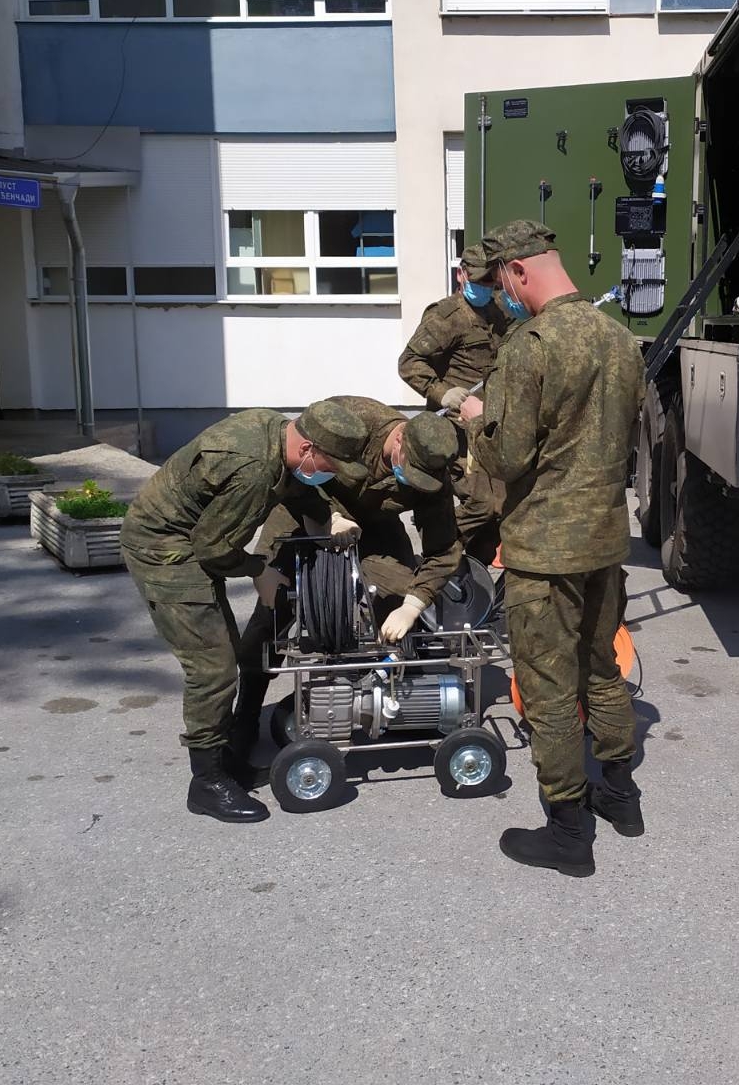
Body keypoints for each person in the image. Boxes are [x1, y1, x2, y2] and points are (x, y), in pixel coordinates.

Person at [466, 219, 647, 877]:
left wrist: (475, 424)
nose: (502, 295)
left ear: (518, 273)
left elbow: (507, 456)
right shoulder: (621, 339)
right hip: (604, 540)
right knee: (601, 668)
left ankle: (568, 830)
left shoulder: (529, 344)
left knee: (546, 691)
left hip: (545, 550)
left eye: (500, 282)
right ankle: (621, 799)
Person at [119, 401, 370, 824]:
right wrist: (260, 571)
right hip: (164, 547)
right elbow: (214, 549)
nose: (334, 472)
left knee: (224, 656)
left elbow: (296, 486)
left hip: (188, 538)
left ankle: (225, 762)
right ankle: (207, 783)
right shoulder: (253, 467)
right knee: (212, 667)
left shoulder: (276, 433)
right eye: (332, 463)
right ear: (307, 447)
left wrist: (327, 517)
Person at [234, 400, 463, 734]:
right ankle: (245, 718)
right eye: (410, 473)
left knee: (400, 600)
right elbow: (289, 465)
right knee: (275, 611)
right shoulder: (350, 420)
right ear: (398, 440)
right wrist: (328, 518)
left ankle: (398, 701)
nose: (413, 482)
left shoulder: (432, 471)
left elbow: (443, 551)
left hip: (376, 525)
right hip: (304, 511)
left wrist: (413, 606)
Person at [397, 245, 510, 566]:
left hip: (491, 426)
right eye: (478, 281)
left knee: (500, 508)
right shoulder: (445, 316)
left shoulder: (498, 308)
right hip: (457, 430)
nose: (485, 289)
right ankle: (437, 558)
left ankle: (468, 574)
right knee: (481, 504)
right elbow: (410, 362)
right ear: (461, 275)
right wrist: (441, 392)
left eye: (491, 282)